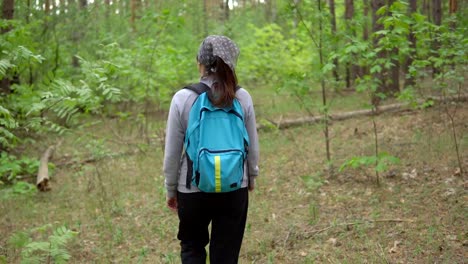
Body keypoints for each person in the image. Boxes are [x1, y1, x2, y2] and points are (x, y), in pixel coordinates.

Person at [163, 35, 260, 263]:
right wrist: (252, 176)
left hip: (192, 189)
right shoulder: (242, 97)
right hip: (235, 186)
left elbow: (172, 153)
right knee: (225, 255)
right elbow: (252, 144)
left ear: (201, 64)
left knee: (192, 249)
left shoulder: (183, 98)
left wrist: (170, 189)